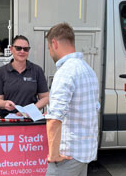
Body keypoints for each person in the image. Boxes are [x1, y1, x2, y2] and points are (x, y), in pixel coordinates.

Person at [45, 23, 99, 176]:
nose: (50, 52)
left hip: (67, 155)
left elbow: (54, 119)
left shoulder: (65, 72)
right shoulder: (88, 70)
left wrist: (54, 155)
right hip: (84, 152)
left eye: (49, 48)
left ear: (54, 43)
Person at [0, 35, 49, 116]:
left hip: (31, 119)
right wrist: (5, 103)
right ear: (11, 49)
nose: (22, 51)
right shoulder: (1, 71)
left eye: (25, 49)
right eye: (18, 48)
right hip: (8, 119)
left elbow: (45, 97)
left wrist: (31, 110)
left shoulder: (37, 70)